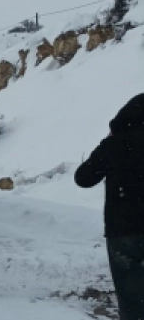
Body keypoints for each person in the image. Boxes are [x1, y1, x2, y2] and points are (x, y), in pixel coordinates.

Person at [75, 93, 144, 320]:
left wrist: (110, 141)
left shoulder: (114, 144)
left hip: (123, 231)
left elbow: (83, 178)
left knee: (131, 299)